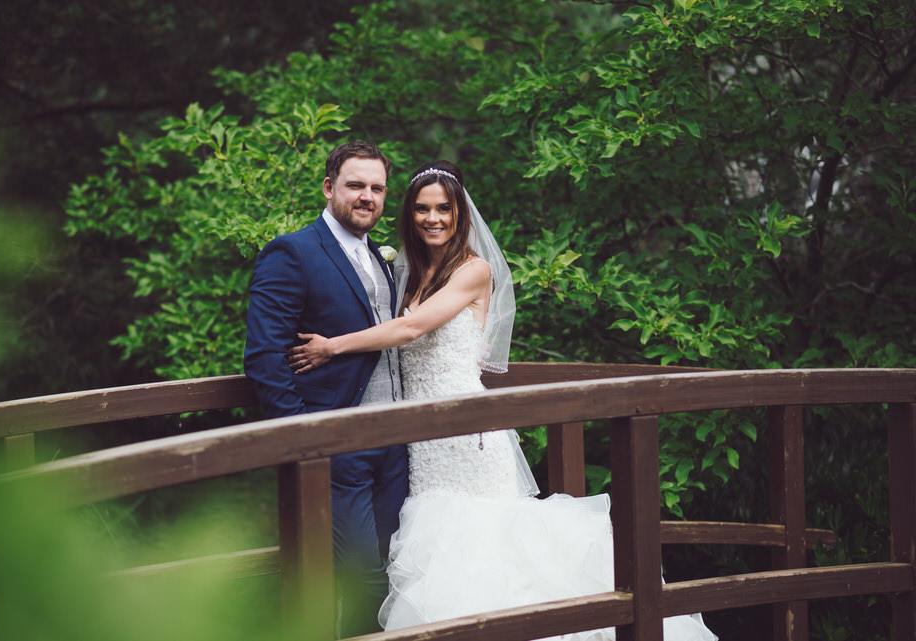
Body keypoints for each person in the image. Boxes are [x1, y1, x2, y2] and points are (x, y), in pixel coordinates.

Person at [288, 161, 717, 640]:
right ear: (409, 215)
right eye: (423, 209)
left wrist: (332, 345)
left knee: (481, 549)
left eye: (444, 209)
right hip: (423, 446)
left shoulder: (474, 270)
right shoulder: (405, 274)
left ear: (459, 214)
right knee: (436, 550)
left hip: (468, 437)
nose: (433, 218)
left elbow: (409, 328)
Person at [243, 141, 406, 638]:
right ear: (329, 187)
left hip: (396, 443)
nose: (367, 197)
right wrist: (306, 438)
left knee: (398, 570)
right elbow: (264, 357)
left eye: (377, 188)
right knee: (362, 575)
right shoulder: (293, 252)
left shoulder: (379, 256)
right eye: (356, 185)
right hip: (337, 444)